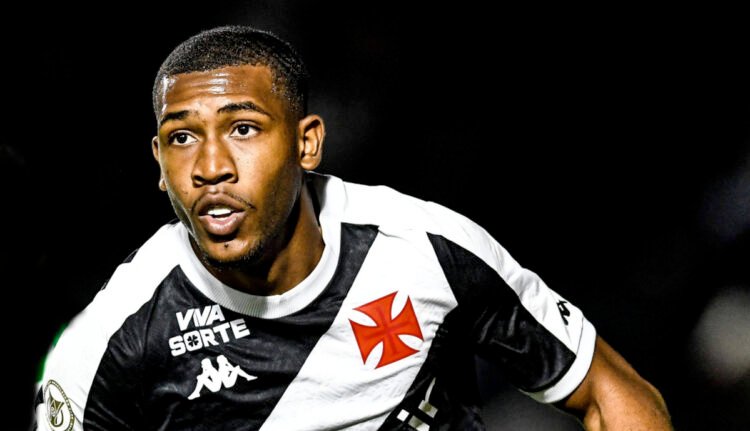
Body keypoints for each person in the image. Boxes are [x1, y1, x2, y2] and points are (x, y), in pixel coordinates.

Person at [33, 26, 672, 430]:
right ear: (159, 164)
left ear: (307, 143)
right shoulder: (111, 342)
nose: (211, 167)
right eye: (182, 139)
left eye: (243, 128)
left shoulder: (423, 250)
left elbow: (609, 393)